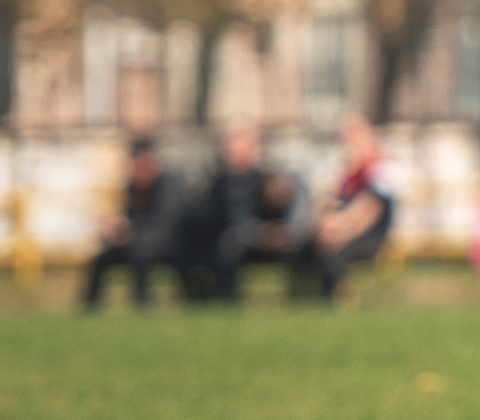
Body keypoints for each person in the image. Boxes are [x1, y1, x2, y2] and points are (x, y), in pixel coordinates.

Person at [180, 126, 312, 301]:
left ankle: (302, 297)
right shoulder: (219, 184)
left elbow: (294, 215)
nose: (236, 159)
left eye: (241, 153)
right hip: (241, 241)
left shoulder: (271, 179)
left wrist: (283, 232)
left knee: (299, 248)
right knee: (227, 247)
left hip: (276, 239)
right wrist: (261, 233)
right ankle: (225, 298)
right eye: (232, 153)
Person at [296, 115, 396, 301]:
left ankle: (333, 300)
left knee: (332, 253)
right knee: (298, 249)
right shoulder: (343, 171)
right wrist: (323, 226)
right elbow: (325, 202)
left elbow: (368, 210)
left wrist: (338, 232)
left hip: (370, 236)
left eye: (353, 138)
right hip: (338, 230)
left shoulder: (382, 168)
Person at [81, 137, 183, 310]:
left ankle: (141, 303)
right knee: (102, 259)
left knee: (139, 255)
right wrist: (113, 230)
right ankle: (89, 307)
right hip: (134, 244)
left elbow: (163, 225)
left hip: (163, 247)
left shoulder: (167, 188)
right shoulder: (131, 188)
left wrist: (127, 228)